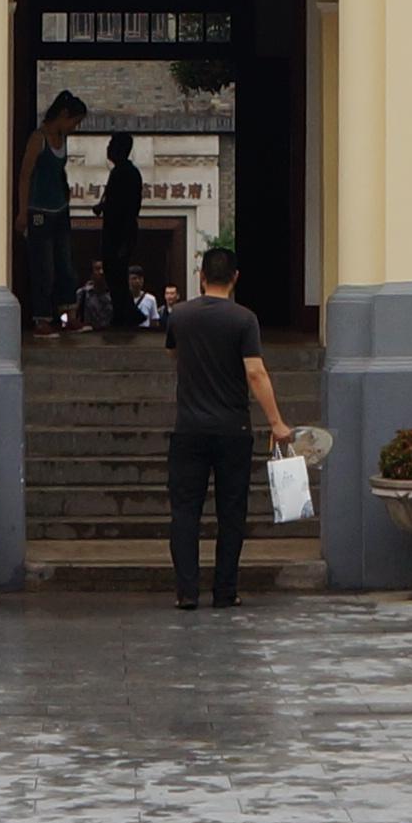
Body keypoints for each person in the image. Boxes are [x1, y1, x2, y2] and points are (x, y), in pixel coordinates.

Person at [163, 244, 288, 610]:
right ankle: (225, 590)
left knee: (185, 511)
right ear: (235, 278)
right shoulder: (244, 320)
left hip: (188, 428)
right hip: (234, 428)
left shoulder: (180, 317)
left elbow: (173, 353)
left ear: (201, 276)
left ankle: (187, 592)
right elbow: (255, 371)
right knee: (231, 512)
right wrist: (277, 422)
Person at [13, 92, 86, 333]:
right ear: (64, 115)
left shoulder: (62, 138)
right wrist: (23, 212)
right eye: (74, 122)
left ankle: (68, 313)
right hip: (39, 209)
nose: (75, 127)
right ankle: (42, 317)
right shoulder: (38, 139)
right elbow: (25, 175)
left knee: (65, 263)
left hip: (60, 208)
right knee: (43, 265)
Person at [92, 124, 147, 313]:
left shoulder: (127, 173)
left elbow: (129, 206)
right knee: (113, 271)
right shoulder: (118, 172)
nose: (108, 149)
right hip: (114, 229)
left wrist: (125, 238)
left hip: (120, 231)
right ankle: (123, 312)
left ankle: (127, 313)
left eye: (111, 144)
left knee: (116, 272)